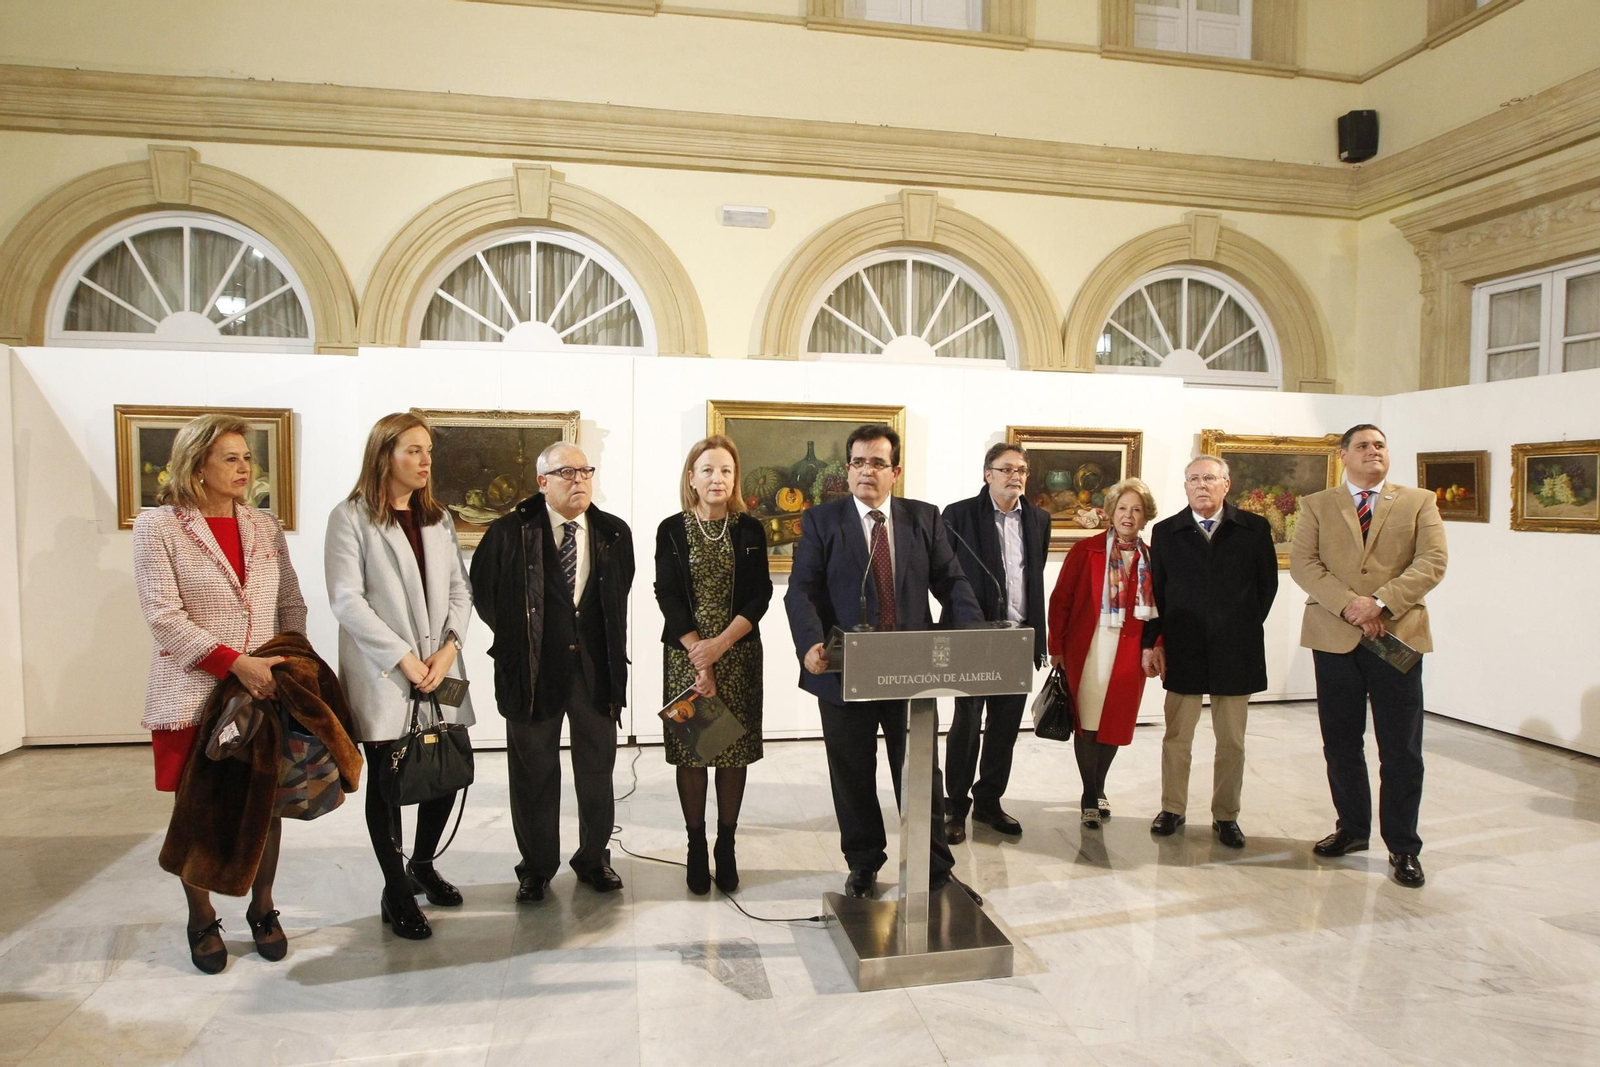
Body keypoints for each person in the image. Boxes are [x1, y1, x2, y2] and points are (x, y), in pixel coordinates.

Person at [132, 413, 306, 973]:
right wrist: (236, 663)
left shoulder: (264, 526)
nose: (243, 467)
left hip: (263, 693)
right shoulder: (158, 526)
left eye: (247, 457)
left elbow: (291, 604)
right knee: (200, 811)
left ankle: (263, 908)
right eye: (229, 457)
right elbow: (163, 617)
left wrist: (289, 659)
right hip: (193, 692)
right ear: (196, 463)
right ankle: (201, 918)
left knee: (267, 807)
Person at [784, 423, 984, 901]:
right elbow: (802, 591)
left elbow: (951, 583)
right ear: (847, 469)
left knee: (919, 773)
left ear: (896, 471)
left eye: (876, 462)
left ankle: (935, 868)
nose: (865, 471)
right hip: (843, 669)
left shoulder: (923, 518)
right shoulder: (821, 521)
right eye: (857, 462)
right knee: (852, 773)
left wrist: (974, 634)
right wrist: (810, 642)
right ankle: (864, 864)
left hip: (911, 669)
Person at [325, 412, 475, 941]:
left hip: (441, 668)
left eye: (428, 451)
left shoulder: (438, 518)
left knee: (444, 769)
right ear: (384, 454)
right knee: (390, 782)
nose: (425, 461)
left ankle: (423, 863)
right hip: (384, 673)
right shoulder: (350, 518)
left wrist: (450, 648)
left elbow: (461, 588)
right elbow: (346, 599)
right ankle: (395, 889)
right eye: (413, 450)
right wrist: (402, 657)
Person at [471, 442, 635, 902]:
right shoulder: (508, 532)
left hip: (595, 672)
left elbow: (618, 592)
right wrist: (522, 640)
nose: (579, 479)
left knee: (597, 770)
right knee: (533, 773)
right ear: (542, 482)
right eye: (566, 472)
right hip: (532, 672)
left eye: (585, 471)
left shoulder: (613, 533)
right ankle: (537, 867)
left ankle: (594, 858)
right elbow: (485, 594)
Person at [1290, 424, 1447, 888]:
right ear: (1344, 455)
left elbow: (1432, 562)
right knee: (1341, 743)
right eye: (1363, 445)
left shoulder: (1420, 502)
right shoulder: (1317, 505)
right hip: (1334, 639)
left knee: (1401, 749)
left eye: (1380, 445)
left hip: (1397, 638)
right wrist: (1350, 605)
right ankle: (1352, 830)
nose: (1373, 451)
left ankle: (1403, 847)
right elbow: (1304, 564)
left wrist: (1379, 602)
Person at [653, 435, 773, 895]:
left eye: (725, 470)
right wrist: (698, 654)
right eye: (707, 470)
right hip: (685, 656)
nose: (717, 478)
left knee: (733, 752)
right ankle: (695, 844)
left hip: (738, 654)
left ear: (734, 478)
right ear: (692, 478)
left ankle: (726, 843)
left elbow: (759, 595)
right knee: (693, 751)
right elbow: (666, 593)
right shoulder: (671, 529)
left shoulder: (750, 529)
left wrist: (719, 647)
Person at [1140, 456, 1278, 847]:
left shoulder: (1254, 528)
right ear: (1185, 486)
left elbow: (1266, 588)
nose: (1202, 485)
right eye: (1194, 479)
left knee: (1231, 741)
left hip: (1237, 650)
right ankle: (1172, 807)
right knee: (1177, 737)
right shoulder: (1167, 532)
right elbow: (1157, 594)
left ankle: (1226, 815)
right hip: (1183, 648)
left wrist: (1238, 626)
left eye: (1210, 478)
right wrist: (1155, 641)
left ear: (1226, 484)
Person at [939, 442, 1049, 843]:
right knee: (966, 723)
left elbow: (1033, 576)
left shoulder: (1038, 518)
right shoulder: (959, 515)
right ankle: (955, 806)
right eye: (1006, 469)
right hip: (972, 638)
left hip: (1017, 637)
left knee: (1004, 726)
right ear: (987, 474)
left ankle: (989, 802)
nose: (1015, 476)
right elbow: (943, 577)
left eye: (1021, 469)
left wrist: (1038, 634)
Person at [1046, 478, 1159, 829]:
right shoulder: (1087, 551)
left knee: (1115, 724)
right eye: (1122, 508)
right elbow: (1060, 600)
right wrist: (1057, 648)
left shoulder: (1153, 557)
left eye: (1136, 510)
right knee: (1088, 722)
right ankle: (1089, 794)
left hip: (1130, 651)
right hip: (1088, 648)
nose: (1128, 515)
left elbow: (1164, 610)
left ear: (1145, 517)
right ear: (1110, 512)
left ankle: (1100, 785)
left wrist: (1156, 648)